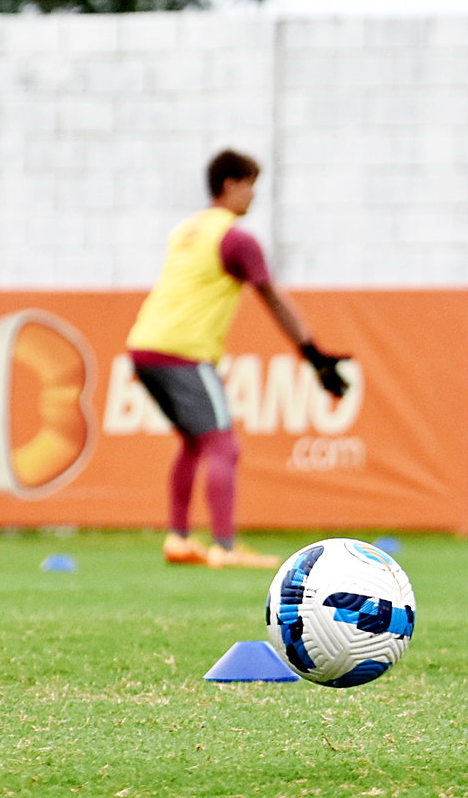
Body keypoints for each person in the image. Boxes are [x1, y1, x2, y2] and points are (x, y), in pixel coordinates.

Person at [126, 149, 350, 570]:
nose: (254, 197)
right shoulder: (236, 238)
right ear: (230, 184)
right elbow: (272, 298)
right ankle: (225, 547)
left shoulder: (188, 229)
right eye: (250, 186)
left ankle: (179, 539)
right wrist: (314, 354)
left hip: (145, 344)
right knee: (223, 446)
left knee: (194, 442)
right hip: (184, 351)